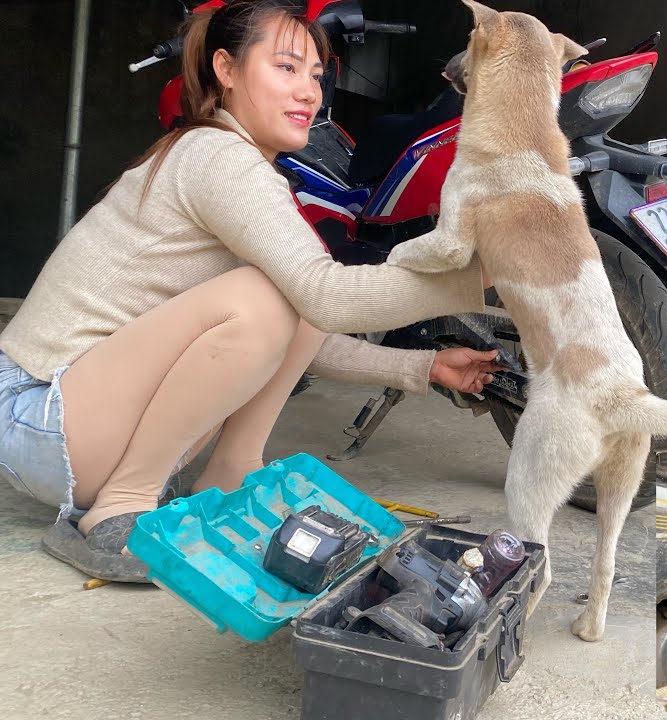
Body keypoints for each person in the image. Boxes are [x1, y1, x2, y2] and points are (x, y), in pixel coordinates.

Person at [0, 0, 501, 583]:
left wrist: (424, 367)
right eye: (286, 68)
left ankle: (230, 475)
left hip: (89, 422)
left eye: (316, 75)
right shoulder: (215, 156)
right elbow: (315, 301)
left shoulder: (244, 168)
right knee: (282, 293)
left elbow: (301, 329)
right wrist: (476, 277)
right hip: (39, 415)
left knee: (294, 289)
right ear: (227, 70)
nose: (309, 91)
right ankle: (119, 508)